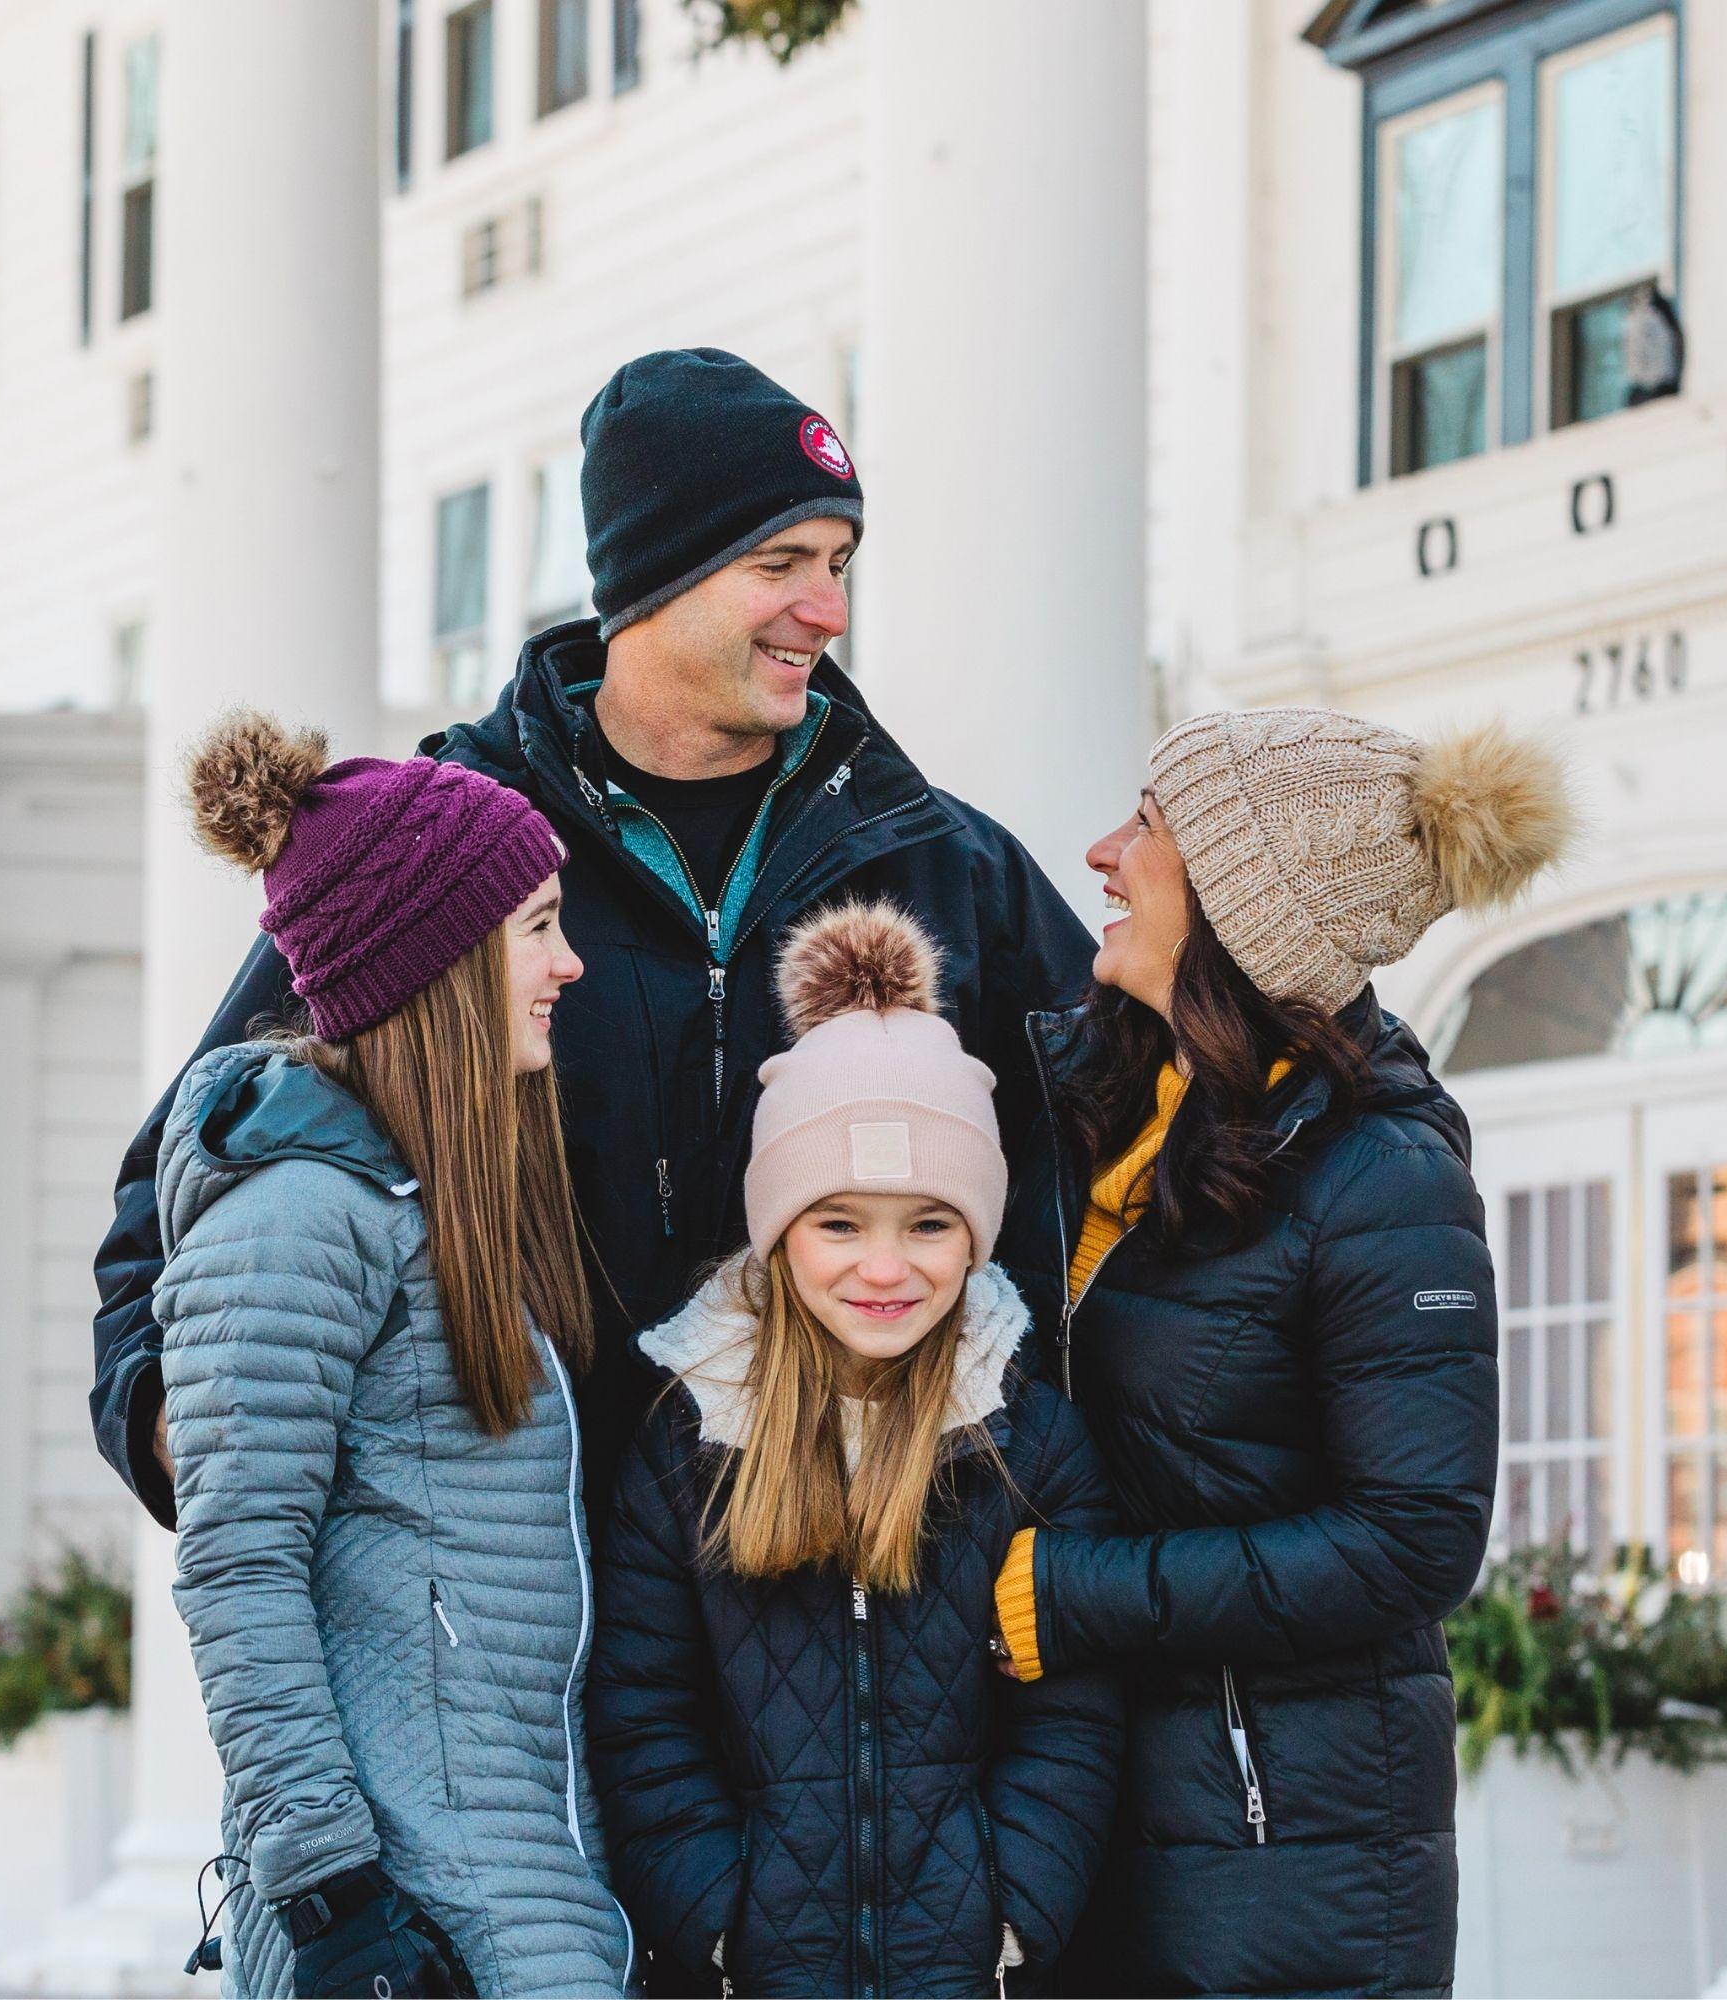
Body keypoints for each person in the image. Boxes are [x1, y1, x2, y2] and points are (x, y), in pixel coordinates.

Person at [92, 347, 1094, 1534]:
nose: (825, 608)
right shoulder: (440, 853)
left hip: (854, 1607)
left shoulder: (942, 862)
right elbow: (203, 1165)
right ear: (650, 579)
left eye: (837, 564)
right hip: (517, 1610)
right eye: (778, 564)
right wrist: (181, 1424)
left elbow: (1112, 1165)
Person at [989, 709, 1578, 1998]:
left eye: (1147, 826)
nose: (1099, 852)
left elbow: (1413, 1537)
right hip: (1107, 1814)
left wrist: (1073, 1592)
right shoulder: (1116, 1112)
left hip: (1284, 1863)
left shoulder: (1380, 1176)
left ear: (1242, 901)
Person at [157, 714, 635, 1997]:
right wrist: (332, 1897)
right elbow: (236, 1567)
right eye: (535, 924)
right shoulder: (296, 1218)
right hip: (406, 1920)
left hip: (519, 1891)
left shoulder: (437, 1212)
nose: (568, 962)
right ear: (437, 961)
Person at [588, 902, 1122, 1999]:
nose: (885, 1267)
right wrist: (719, 1920)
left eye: (927, 1223)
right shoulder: (691, 1437)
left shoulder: (1028, 1435)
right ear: (779, 1232)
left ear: (975, 1235)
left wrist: (1012, 1909)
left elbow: (1072, 1711)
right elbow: (643, 1711)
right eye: (839, 1223)